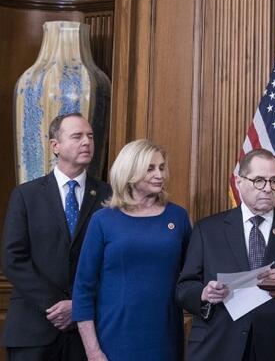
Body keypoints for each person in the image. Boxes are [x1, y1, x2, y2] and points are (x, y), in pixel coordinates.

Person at [176, 149, 275, 361]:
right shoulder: (207, 230)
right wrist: (204, 294)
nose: (268, 189)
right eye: (259, 180)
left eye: (274, 181)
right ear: (239, 181)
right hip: (218, 346)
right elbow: (184, 288)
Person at [2, 113, 111, 361]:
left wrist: (79, 305)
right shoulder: (26, 195)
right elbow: (13, 258)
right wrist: (58, 305)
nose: (87, 142)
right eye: (77, 136)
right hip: (33, 328)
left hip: (89, 332)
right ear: (55, 146)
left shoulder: (110, 196)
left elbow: (113, 262)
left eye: (90, 136)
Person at [72, 139, 191, 361]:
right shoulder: (103, 220)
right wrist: (93, 351)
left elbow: (193, 275)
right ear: (130, 171)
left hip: (164, 338)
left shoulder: (178, 217)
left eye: (162, 167)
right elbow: (83, 289)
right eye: (150, 168)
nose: (160, 174)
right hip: (114, 339)